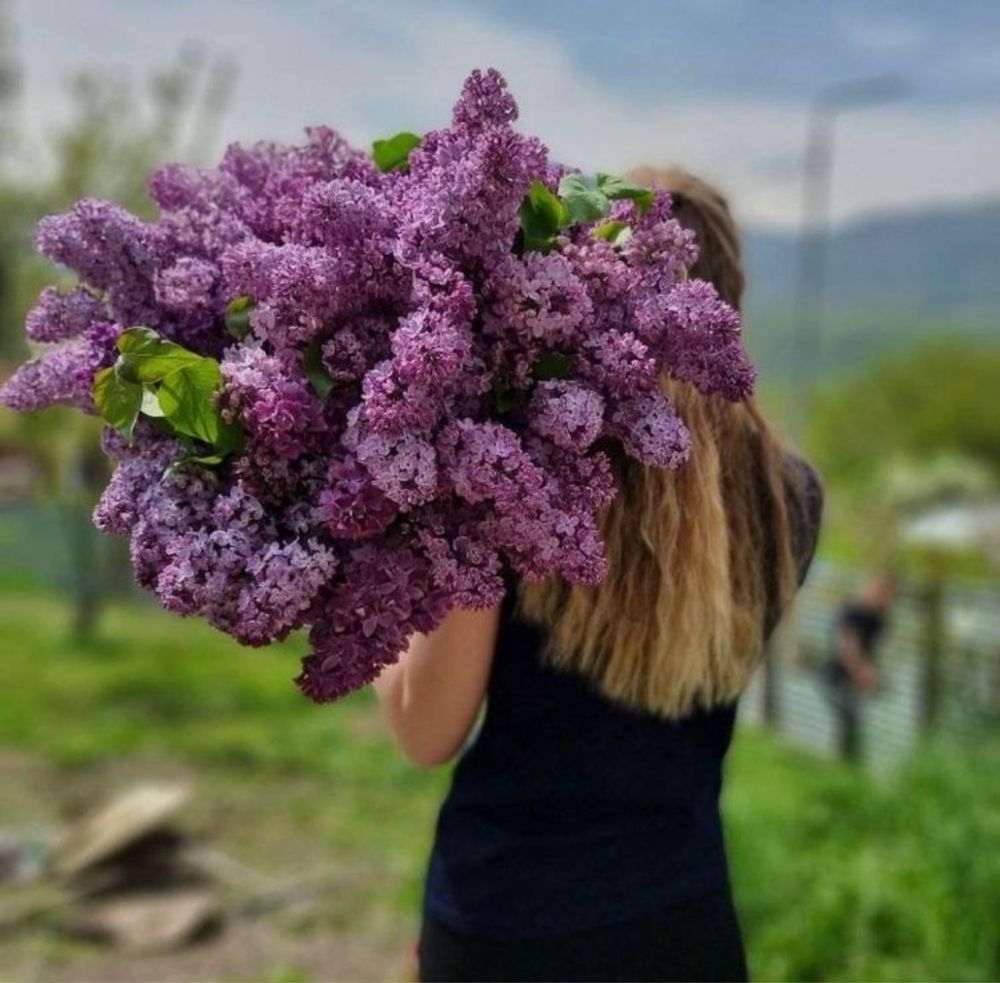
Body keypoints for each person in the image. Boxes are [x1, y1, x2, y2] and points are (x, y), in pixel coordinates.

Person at [375, 167, 823, 983]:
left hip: (507, 924)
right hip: (682, 920)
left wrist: (371, 578)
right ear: (727, 311)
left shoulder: (510, 468)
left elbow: (424, 729)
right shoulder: (788, 494)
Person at [824, 571, 896, 762]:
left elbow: (874, 651)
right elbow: (846, 647)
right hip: (837, 676)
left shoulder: (880, 619)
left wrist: (875, 675)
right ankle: (842, 765)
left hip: (855, 679)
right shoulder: (853, 612)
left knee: (853, 725)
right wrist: (863, 673)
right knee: (848, 720)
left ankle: (848, 765)